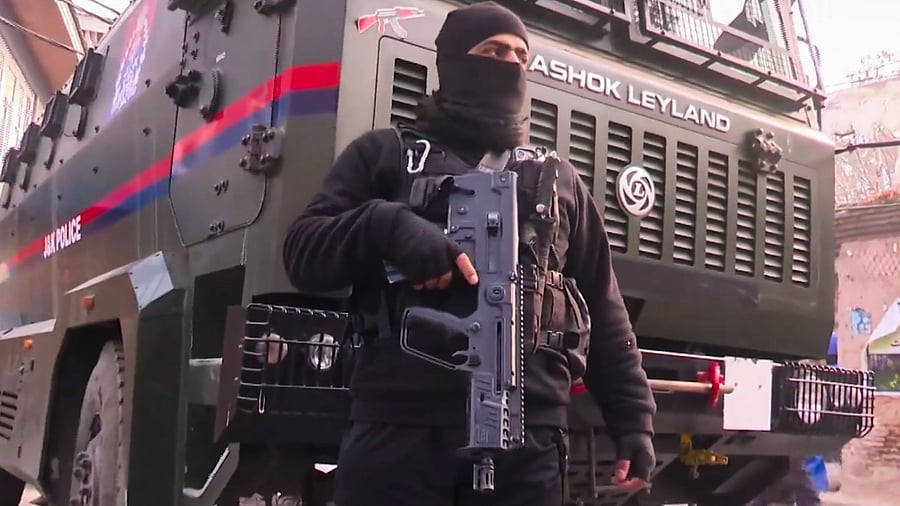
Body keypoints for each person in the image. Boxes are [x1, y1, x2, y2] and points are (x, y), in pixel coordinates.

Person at [281, 3, 657, 505]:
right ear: (455, 61)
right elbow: (302, 253)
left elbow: (604, 308)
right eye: (493, 52)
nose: (510, 65)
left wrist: (634, 421)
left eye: (521, 56)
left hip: (528, 441)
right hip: (399, 431)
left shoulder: (558, 180)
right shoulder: (386, 155)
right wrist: (386, 226)